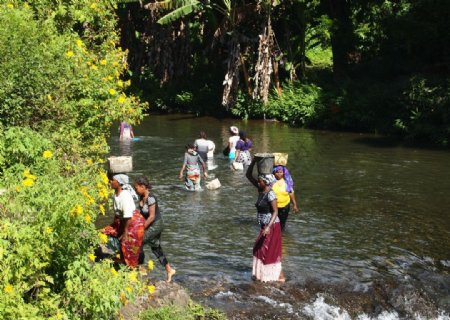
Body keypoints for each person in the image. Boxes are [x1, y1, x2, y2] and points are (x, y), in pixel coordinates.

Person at [246, 159, 285, 282]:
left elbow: (275, 211)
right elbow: (248, 175)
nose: (258, 182)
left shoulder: (270, 194)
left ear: (266, 182)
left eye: (260, 180)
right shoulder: (261, 190)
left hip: (272, 226)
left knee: (266, 250)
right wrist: (253, 162)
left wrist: (268, 227)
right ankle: (262, 275)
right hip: (264, 225)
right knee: (259, 249)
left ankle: (276, 276)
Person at [134, 176, 176, 282]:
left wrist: (141, 228)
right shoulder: (141, 197)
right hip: (149, 224)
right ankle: (169, 270)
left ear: (143, 187)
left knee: (139, 242)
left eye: (136, 188)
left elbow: (151, 216)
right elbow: (142, 214)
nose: (135, 190)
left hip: (156, 224)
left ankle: (140, 271)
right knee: (155, 248)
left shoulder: (151, 198)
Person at [103, 173, 145, 268]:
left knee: (128, 243)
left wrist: (125, 233)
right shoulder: (117, 194)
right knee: (106, 232)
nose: (110, 182)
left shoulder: (124, 196)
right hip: (124, 221)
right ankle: (122, 259)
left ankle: (130, 265)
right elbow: (118, 214)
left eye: (113, 180)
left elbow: (128, 216)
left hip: (133, 223)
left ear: (119, 183)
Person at [272, 166, 299, 231]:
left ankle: (282, 237)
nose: (279, 174)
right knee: (273, 223)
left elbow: (291, 193)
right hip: (273, 207)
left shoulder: (287, 183)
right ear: (274, 173)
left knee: (282, 224)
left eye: (281, 172)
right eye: (277, 172)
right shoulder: (271, 182)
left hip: (285, 207)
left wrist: (295, 205)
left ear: (283, 173)